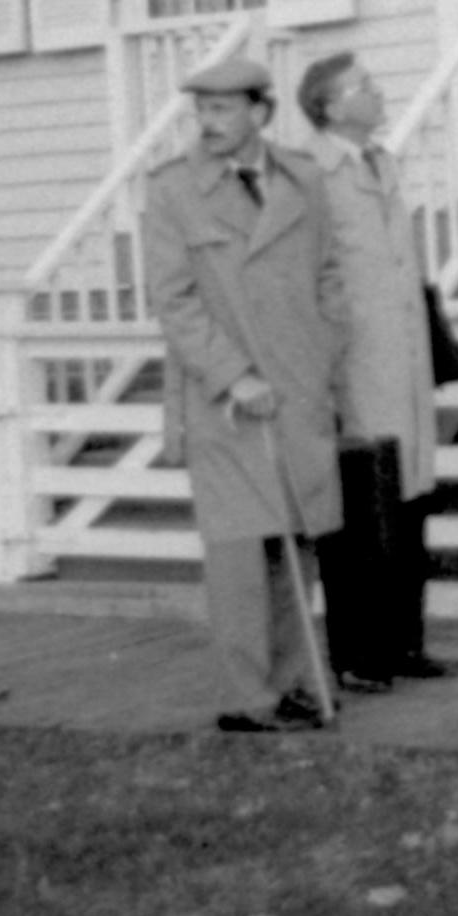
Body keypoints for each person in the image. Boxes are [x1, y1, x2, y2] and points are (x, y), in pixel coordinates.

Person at [142, 53, 350, 734]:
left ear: (261, 112)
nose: (209, 123)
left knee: (298, 533)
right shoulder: (174, 191)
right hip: (227, 398)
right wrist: (235, 375)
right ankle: (246, 698)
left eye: (224, 109)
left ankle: (291, 683)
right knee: (240, 549)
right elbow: (174, 303)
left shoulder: (304, 178)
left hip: (299, 388)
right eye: (202, 110)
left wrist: (320, 353)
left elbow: (328, 276)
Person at [297, 50, 458, 688]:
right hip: (355, 366)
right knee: (362, 505)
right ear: (332, 105)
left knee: (411, 500)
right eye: (362, 86)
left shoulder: (382, 163)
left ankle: (404, 645)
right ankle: (356, 655)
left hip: (407, 362)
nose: (377, 91)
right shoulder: (313, 170)